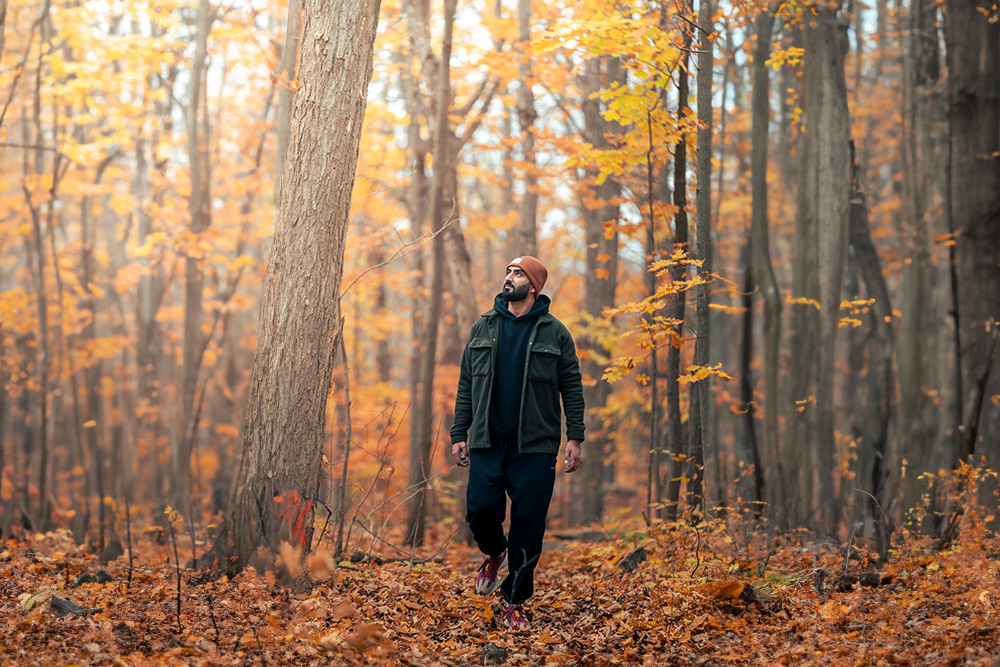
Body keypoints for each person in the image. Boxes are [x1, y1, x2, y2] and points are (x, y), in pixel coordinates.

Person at [451, 255, 585, 631]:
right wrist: (458, 433)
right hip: (487, 442)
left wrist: (575, 435)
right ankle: (495, 551)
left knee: (528, 528)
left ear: (534, 285)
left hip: (536, 447)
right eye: (508, 270)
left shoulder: (555, 333)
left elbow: (571, 387)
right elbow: (466, 385)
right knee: (479, 511)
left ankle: (514, 601)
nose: (509, 277)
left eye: (518, 272)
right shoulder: (483, 327)